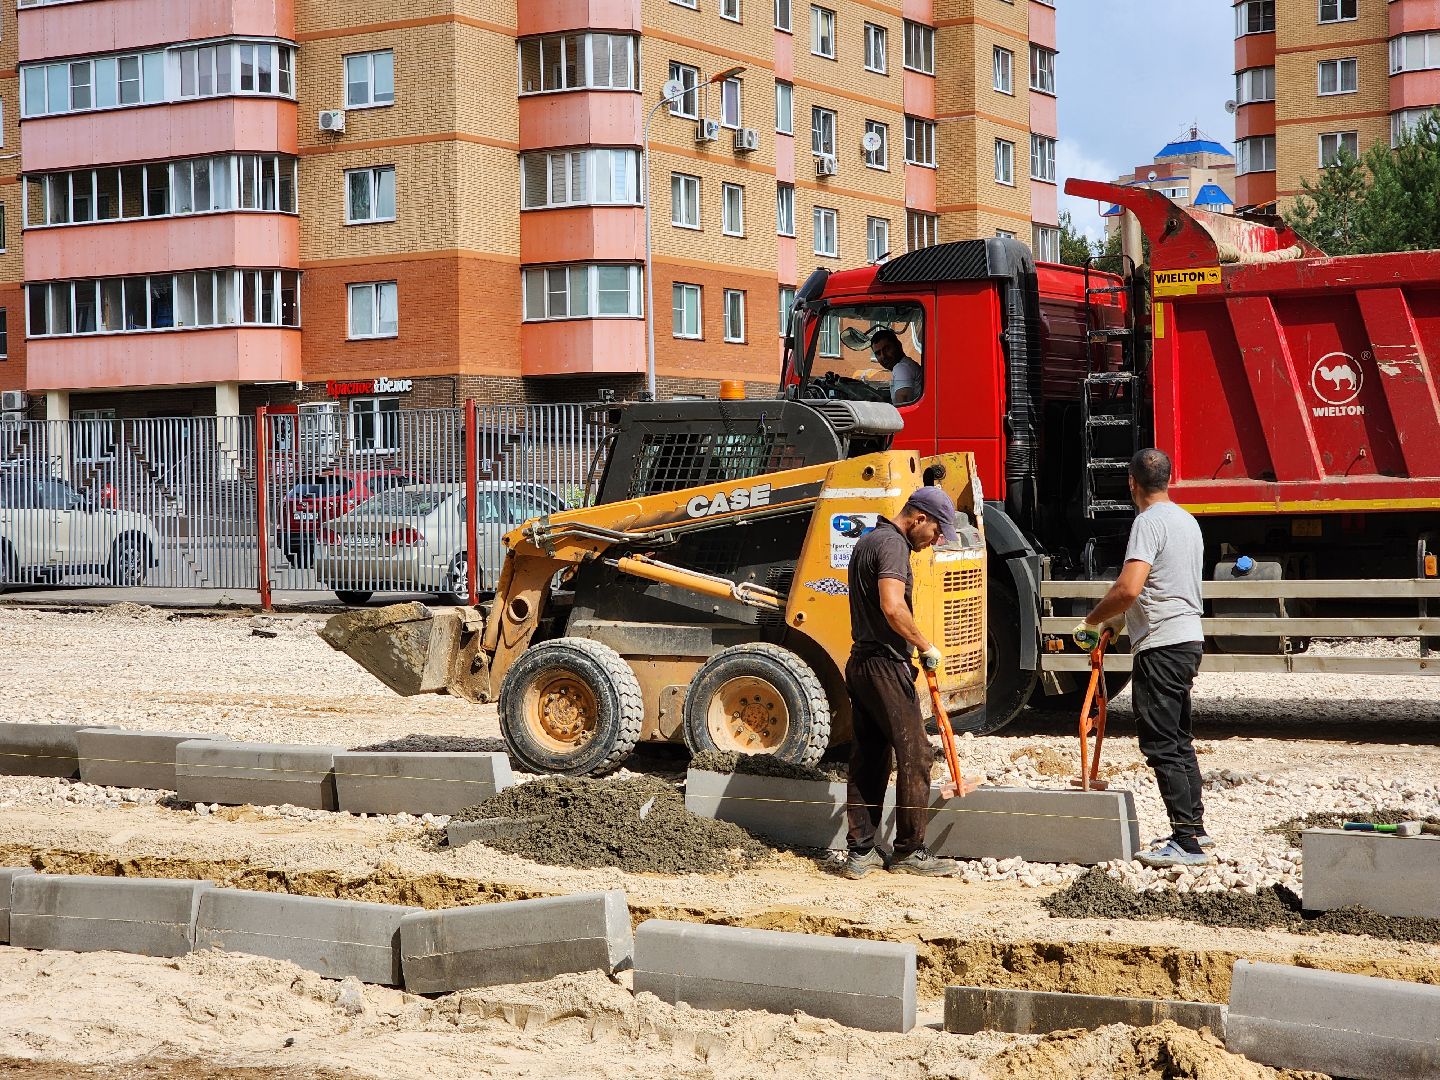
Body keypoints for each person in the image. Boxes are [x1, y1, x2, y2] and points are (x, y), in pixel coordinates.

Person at [1074, 448, 1212, 868]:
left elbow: (1130, 587)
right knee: (1178, 737)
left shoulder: (1147, 523)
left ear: (1131, 483)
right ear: (1169, 480)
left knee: (1159, 742)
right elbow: (1163, 584)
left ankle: (1186, 841)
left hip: (1162, 645)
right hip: (1187, 640)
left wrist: (1094, 620)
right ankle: (1194, 826)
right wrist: (1119, 624)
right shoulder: (1186, 521)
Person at [842, 485, 962, 879]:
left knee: (870, 755)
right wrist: (925, 645)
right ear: (918, 518)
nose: (936, 540)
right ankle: (910, 849)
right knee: (916, 754)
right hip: (884, 664)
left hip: (860, 659)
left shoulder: (868, 541)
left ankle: (861, 852)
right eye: (936, 531)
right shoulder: (893, 546)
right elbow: (892, 606)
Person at [870, 328, 922, 406]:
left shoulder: (901, 368)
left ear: (898, 345)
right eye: (878, 353)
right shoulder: (907, 364)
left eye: (887, 349)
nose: (883, 356)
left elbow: (903, 406)